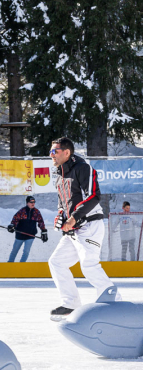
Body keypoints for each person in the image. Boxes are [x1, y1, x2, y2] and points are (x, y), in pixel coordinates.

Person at [48, 136, 119, 320]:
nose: (51, 155)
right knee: (56, 262)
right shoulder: (59, 175)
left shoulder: (82, 168)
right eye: (51, 151)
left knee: (88, 264)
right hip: (74, 230)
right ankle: (71, 304)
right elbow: (63, 203)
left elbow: (94, 196)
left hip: (90, 225)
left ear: (66, 152)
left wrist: (72, 218)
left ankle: (114, 301)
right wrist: (61, 216)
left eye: (54, 151)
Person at [7, 196, 48, 262]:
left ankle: (21, 266)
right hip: (20, 235)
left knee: (26, 252)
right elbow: (15, 219)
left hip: (30, 236)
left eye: (34, 202)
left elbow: (41, 222)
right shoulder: (22, 211)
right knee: (14, 251)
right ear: (27, 203)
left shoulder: (36, 212)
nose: (33, 203)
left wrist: (43, 231)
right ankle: (9, 265)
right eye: (31, 202)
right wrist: (12, 226)